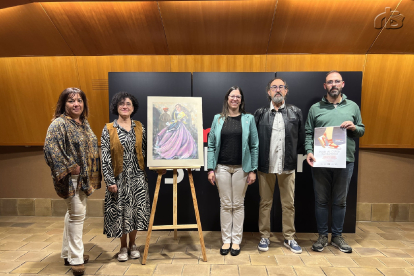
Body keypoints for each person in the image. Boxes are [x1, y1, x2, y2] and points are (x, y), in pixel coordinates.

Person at [305, 71, 365, 253]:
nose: (333, 85)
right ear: (325, 86)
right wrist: (309, 151)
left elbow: (361, 130)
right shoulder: (315, 108)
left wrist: (354, 127)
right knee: (321, 201)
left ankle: (337, 236)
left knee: (340, 201)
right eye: (330, 82)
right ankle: (322, 236)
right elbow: (308, 133)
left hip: (345, 161)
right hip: (321, 161)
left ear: (343, 84)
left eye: (336, 81)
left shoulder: (352, 107)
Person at [44, 87, 101, 276]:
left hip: (83, 178)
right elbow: (50, 151)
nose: (76, 104)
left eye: (79, 100)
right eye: (71, 101)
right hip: (71, 178)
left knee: (72, 215)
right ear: (63, 104)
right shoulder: (59, 124)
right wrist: (71, 166)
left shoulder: (84, 123)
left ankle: (68, 253)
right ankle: (76, 259)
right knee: (77, 215)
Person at [254, 78, 304, 254]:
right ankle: (264, 236)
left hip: (287, 167)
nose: (277, 90)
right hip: (265, 167)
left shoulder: (295, 112)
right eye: (274, 87)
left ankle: (289, 238)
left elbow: (301, 140)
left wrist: (291, 157)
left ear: (286, 91)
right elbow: (254, 141)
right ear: (268, 92)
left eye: (281, 87)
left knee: (288, 204)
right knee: (265, 203)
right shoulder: (260, 113)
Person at [207, 86, 259, 256]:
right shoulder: (218, 118)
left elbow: (254, 145)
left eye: (238, 96)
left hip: (241, 169)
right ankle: (226, 240)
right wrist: (210, 169)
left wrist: (253, 170)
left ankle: (236, 241)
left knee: (238, 205)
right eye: (232, 96)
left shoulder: (248, 119)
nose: (235, 99)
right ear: (227, 99)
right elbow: (212, 144)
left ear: (241, 100)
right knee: (225, 204)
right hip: (221, 167)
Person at [101, 92, 151, 262]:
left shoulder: (140, 127)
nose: (125, 106)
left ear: (133, 107)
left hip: (137, 177)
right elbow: (106, 156)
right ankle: (123, 246)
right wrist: (109, 180)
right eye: (121, 104)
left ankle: (133, 245)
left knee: (135, 212)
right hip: (119, 178)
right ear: (116, 107)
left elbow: (147, 151)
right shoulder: (108, 128)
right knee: (122, 214)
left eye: (128, 104)